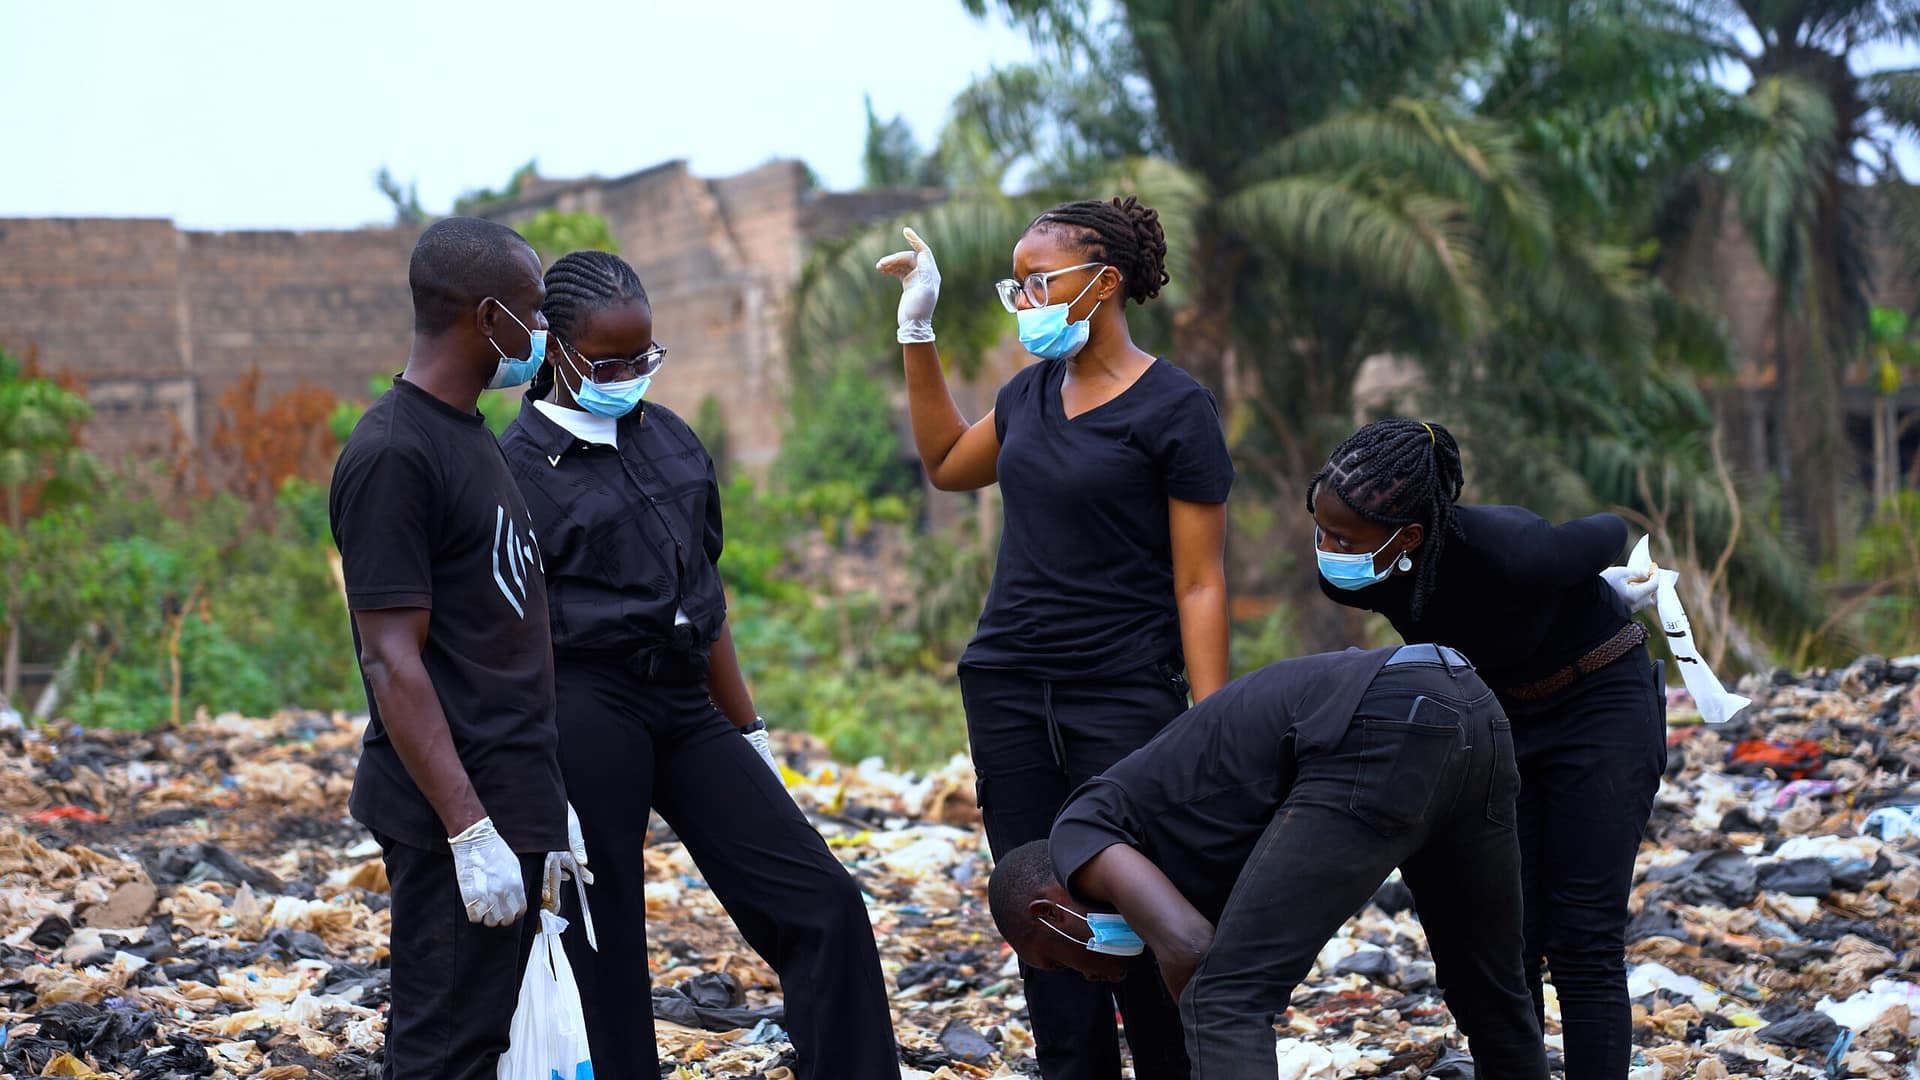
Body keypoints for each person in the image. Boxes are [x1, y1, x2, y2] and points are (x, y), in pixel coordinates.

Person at [497, 250, 898, 1080]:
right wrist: (532, 777)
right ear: (556, 351)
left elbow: (704, 599)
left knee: (823, 904)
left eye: (644, 357)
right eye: (609, 362)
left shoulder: (670, 441)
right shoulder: (516, 472)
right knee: (606, 949)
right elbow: (513, 638)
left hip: (685, 704)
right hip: (586, 709)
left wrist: (746, 729)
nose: (630, 375)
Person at [877, 196, 1234, 1079]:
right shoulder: (1030, 392)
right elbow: (952, 464)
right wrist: (916, 332)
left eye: (1041, 280)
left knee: (1142, 915)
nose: (1025, 296)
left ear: (1104, 283)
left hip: (1122, 692)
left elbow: (1199, 581)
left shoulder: (1174, 408)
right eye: (1019, 281)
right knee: (1043, 913)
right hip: (1008, 686)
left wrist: (1216, 729)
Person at [986, 643, 1549, 1079]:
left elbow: (1187, 947)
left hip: (1376, 720)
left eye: (1059, 962)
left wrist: (1211, 1020)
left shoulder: (1077, 833)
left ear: (1050, 913)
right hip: (1470, 702)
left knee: (1222, 996)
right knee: (1491, 987)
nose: (1085, 975)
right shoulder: (1169, 845)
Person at [1307, 417, 1665, 1080]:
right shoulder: (1355, 571)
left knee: (1582, 936)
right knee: (1507, 940)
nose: (1327, 549)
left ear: (1409, 536)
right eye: (1321, 530)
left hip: (1599, 701)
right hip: (1502, 717)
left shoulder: (1512, 549)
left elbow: (1607, 530)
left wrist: (1613, 577)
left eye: (1342, 538)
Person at [328, 217, 587, 1080]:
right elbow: (390, 659)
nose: (543, 332)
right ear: (488, 319)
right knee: (441, 1050)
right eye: (535, 312)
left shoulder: (469, 434)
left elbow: (497, 629)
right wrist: (469, 828)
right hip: (453, 811)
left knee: (477, 1043)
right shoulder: (395, 453)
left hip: (508, 793)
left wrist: (543, 800)